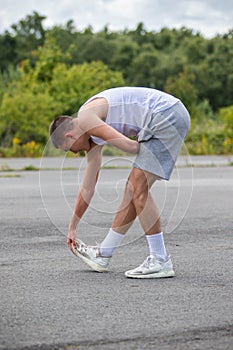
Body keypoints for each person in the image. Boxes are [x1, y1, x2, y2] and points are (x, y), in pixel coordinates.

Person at [49, 86, 190, 278]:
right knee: (132, 189)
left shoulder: (86, 118)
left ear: (69, 136)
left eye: (68, 149)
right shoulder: (91, 134)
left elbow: (131, 147)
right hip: (165, 116)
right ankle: (103, 254)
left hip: (166, 116)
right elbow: (88, 188)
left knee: (137, 187)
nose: (74, 153)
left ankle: (160, 259)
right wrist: (73, 225)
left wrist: (143, 144)